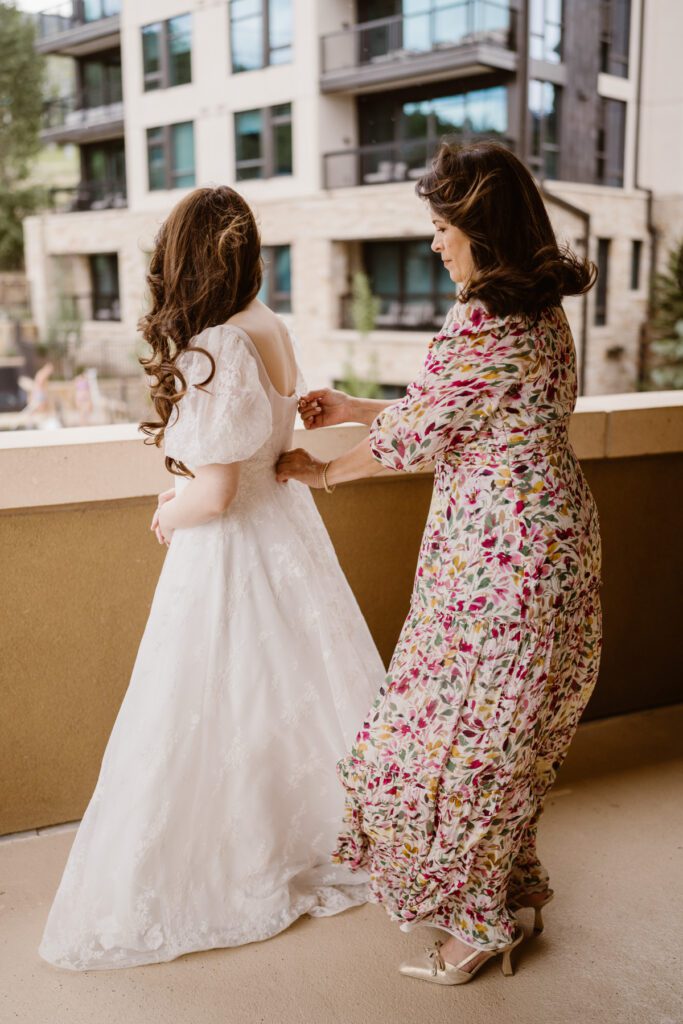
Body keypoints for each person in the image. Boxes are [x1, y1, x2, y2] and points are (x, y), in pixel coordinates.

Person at [276, 141, 602, 986]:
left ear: (479, 231)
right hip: (547, 546)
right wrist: (354, 407)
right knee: (504, 740)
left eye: (440, 227)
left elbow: (418, 437)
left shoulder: (484, 317)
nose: (433, 244)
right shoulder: (537, 310)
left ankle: (472, 928)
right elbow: (463, 410)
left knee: (439, 746)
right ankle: (512, 894)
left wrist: (321, 471)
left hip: (499, 564)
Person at [39, 186, 385, 971]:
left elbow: (219, 488)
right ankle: (305, 831)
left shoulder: (223, 343)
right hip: (287, 531)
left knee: (216, 700)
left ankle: (253, 853)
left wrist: (170, 512)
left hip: (231, 547)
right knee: (287, 690)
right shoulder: (271, 326)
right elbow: (258, 453)